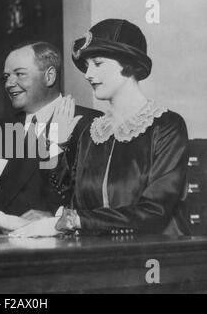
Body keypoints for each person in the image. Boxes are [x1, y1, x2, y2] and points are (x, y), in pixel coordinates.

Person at [11, 19, 190, 237]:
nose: (88, 74)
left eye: (98, 63)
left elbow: (155, 210)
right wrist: (57, 145)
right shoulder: (92, 131)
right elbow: (70, 203)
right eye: (86, 66)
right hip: (98, 254)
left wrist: (76, 221)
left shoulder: (167, 126)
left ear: (129, 63)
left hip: (158, 255)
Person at [0, 42, 101, 233]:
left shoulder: (92, 124)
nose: (9, 84)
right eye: (6, 77)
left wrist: (58, 219)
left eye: (19, 74)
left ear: (49, 76)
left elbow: (103, 200)